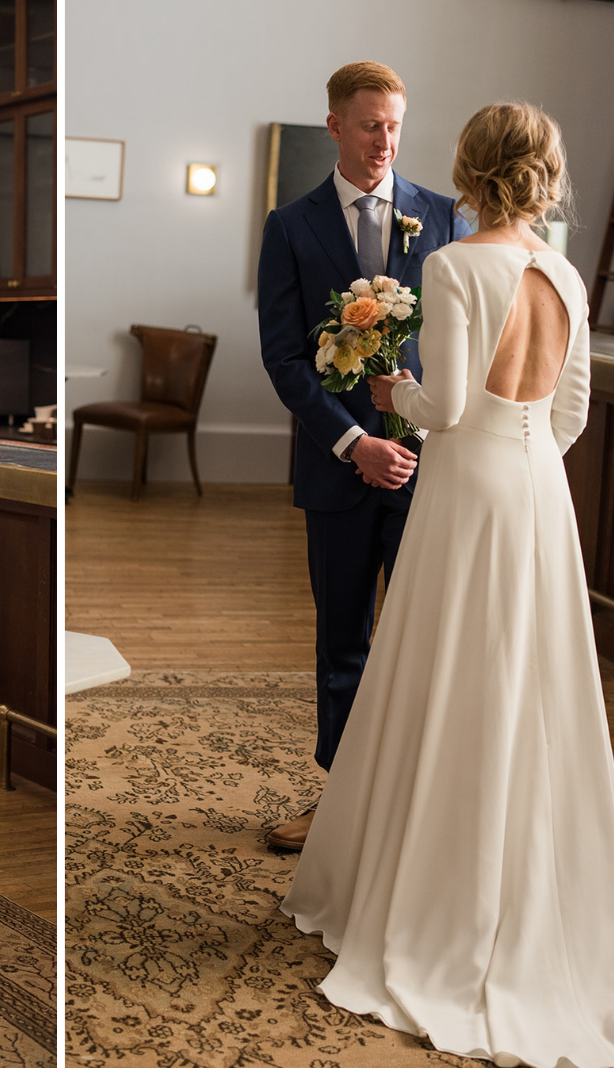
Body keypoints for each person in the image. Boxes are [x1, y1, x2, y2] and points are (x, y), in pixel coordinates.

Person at [281, 103, 614, 1067]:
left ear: (468, 171)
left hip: (469, 485)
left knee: (441, 669)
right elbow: (569, 412)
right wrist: (519, 447)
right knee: (529, 682)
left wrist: (390, 390)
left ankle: (423, 885)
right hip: (537, 489)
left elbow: (442, 404)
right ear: (542, 176)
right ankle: (525, 880)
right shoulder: (564, 272)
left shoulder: (451, 265)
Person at [258, 61, 471, 851]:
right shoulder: (290, 226)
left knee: (423, 643)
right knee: (342, 639)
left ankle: (418, 807)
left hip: (430, 469)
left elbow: (468, 345)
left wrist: (419, 420)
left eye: (394, 125)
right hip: (337, 468)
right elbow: (282, 357)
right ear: (335, 128)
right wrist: (354, 443)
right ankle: (339, 803)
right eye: (370, 124)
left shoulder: (445, 217)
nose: (384, 140)